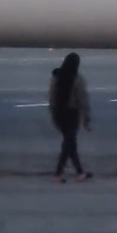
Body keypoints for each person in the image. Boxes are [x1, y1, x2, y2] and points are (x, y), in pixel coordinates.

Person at [48, 52, 93, 183]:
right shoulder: (78, 79)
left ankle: (80, 172)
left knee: (70, 143)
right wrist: (87, 120)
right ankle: (58, 173)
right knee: (69, 144)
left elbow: (51, 98)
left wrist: (53, 115)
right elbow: (83, 100)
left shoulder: (56, 77)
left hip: (59, 114)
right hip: (72, 114)